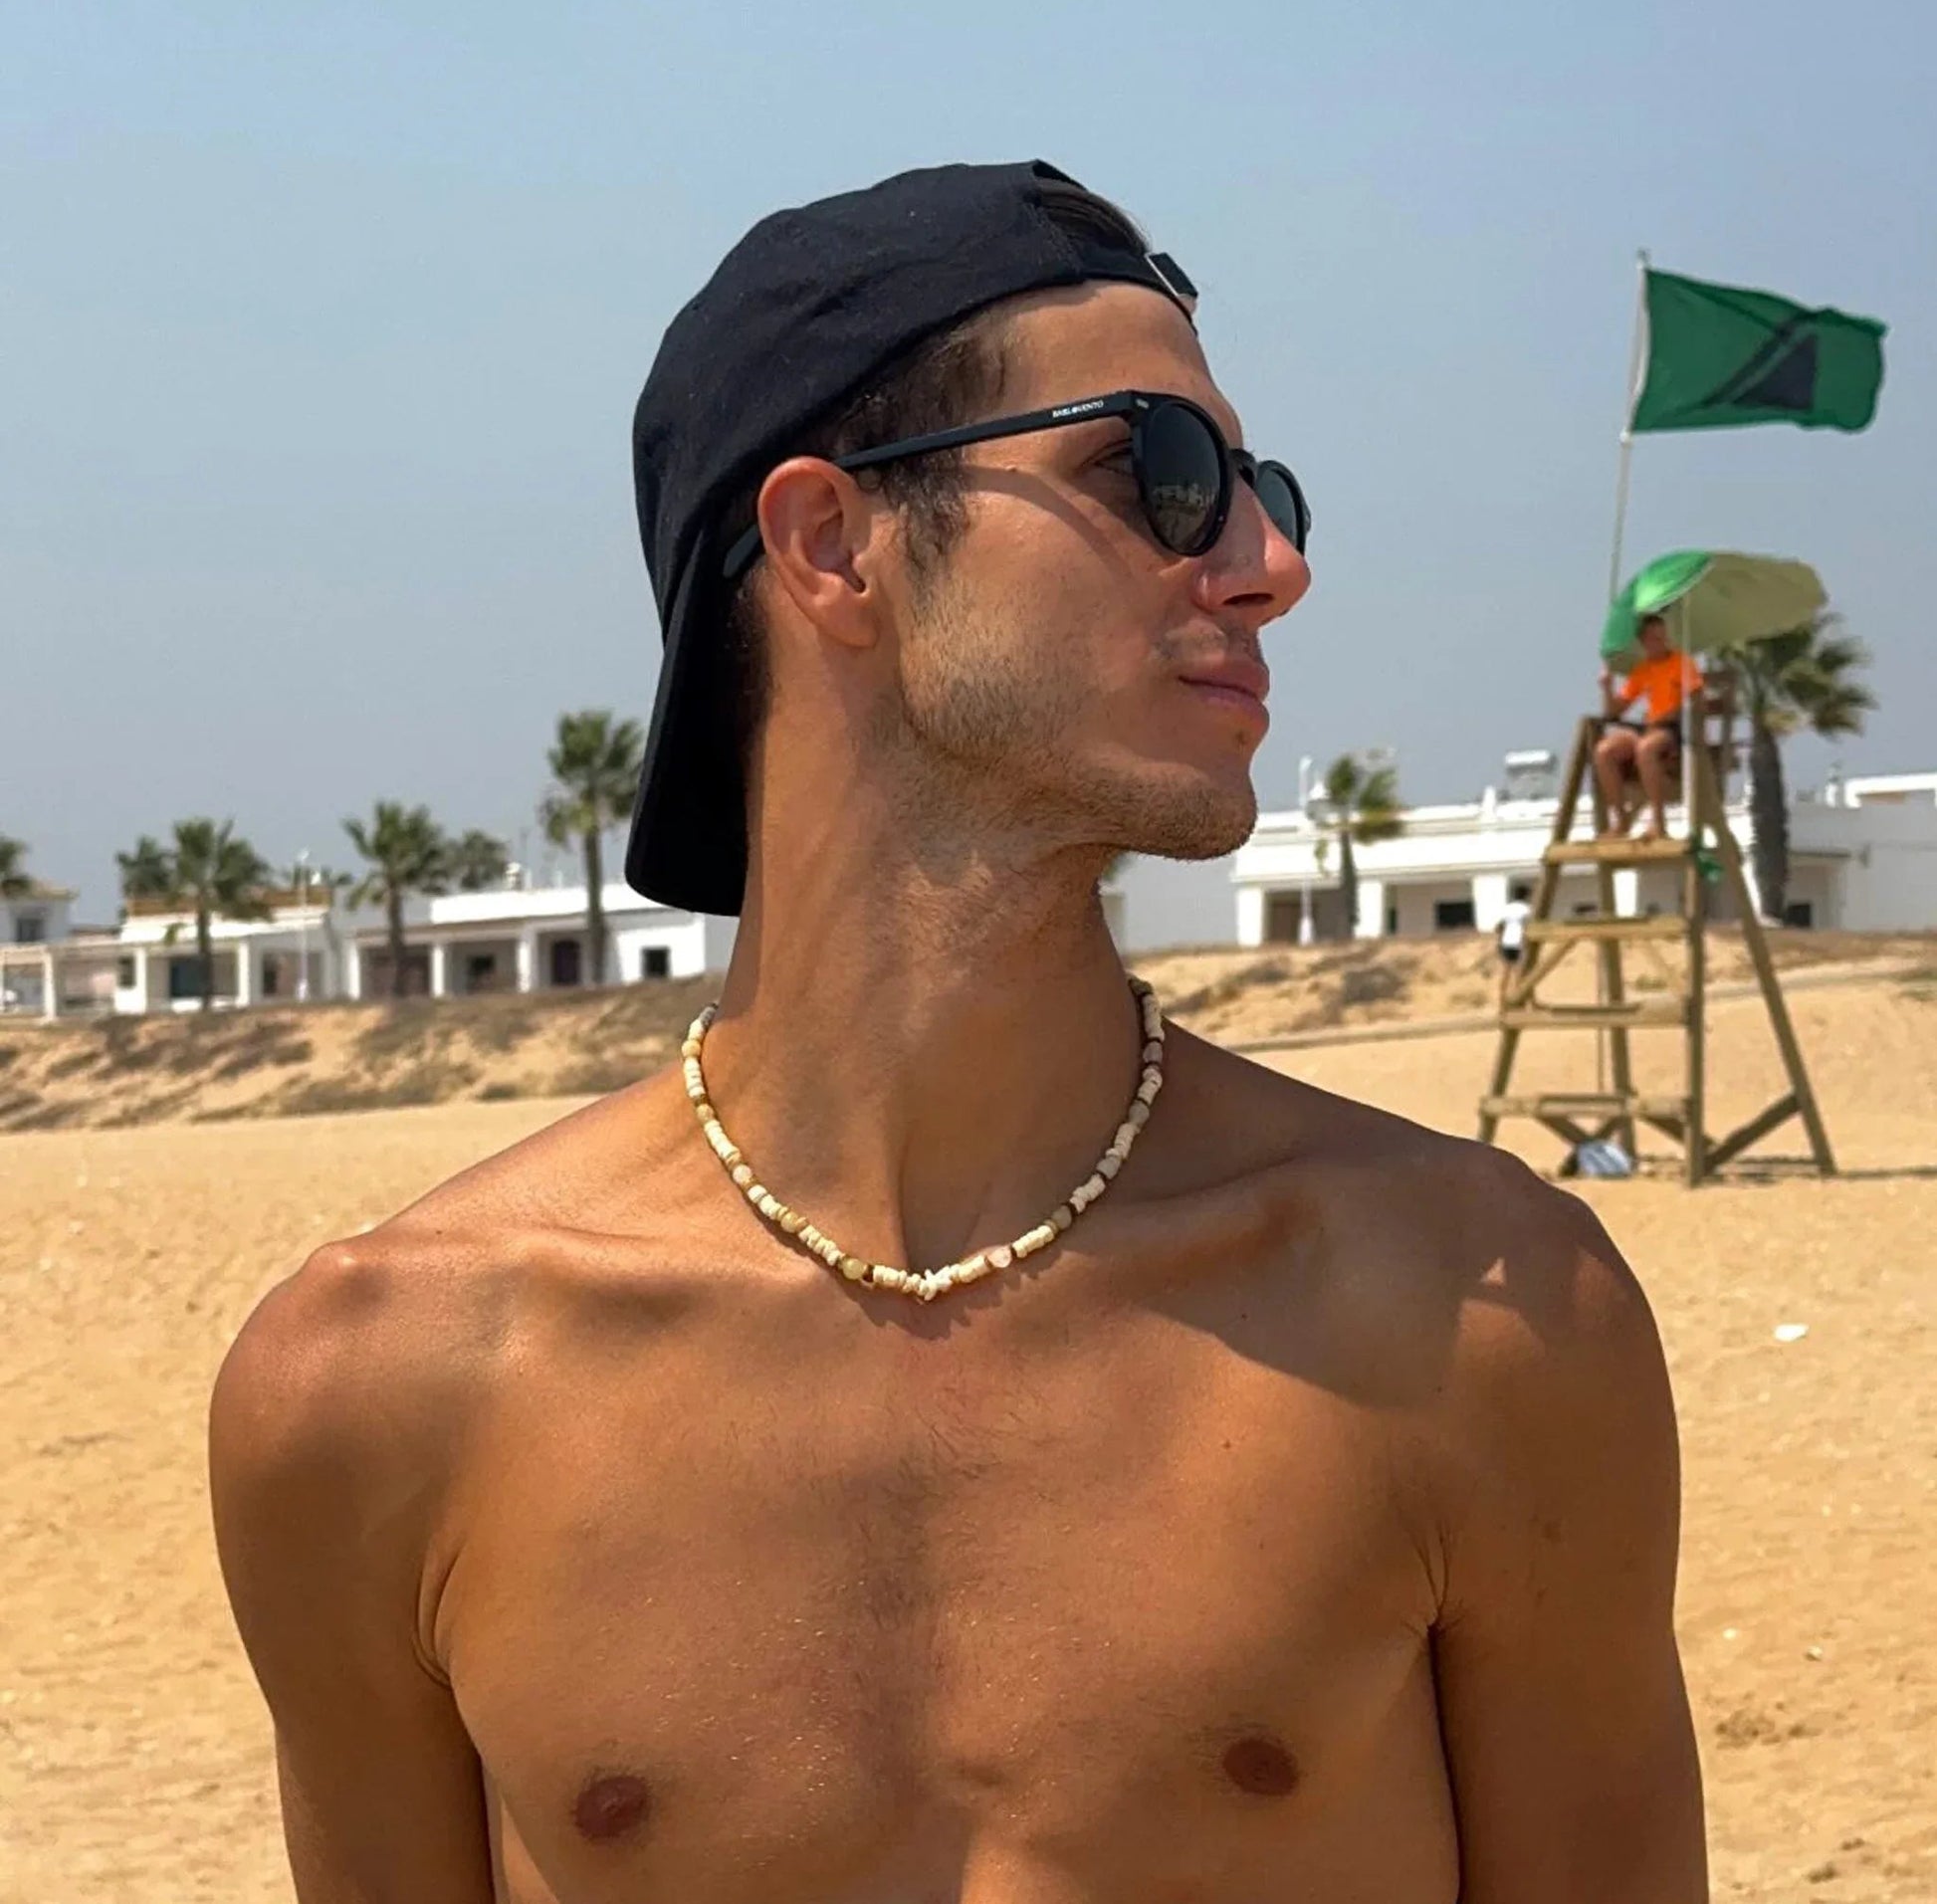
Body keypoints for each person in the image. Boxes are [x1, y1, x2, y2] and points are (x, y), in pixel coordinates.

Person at [210, 161, 1704, 1903]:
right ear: (831, 546)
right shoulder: (385, 1393)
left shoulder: (1479, 1320)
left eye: (1263, 492)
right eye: (1157, 471)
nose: (1270, 567)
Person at [1595, 612, 1705, 841]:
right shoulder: (1643, 669)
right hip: (1649, 727)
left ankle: (1658, 822)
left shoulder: (1682, 663)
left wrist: (1674, 712)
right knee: (1604, 751)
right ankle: (1621, 820)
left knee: (1646, 749)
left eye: (1663, 637)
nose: (1660, 643)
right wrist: (1607, 688)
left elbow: (1697, 698)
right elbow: (1614, 712)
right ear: (1643, 642)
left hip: (1671, 728)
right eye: (1654, 638)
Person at [1495, 882, 1533, 1000]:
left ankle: (1502, 998)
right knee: (1519, 971)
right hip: (1519, 941)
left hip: (1506, 941)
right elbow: (1528, 926)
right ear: (1526, 896)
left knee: (1506, 971)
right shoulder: (1526, 909)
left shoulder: (1507, 908)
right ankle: (1519, 997)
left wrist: (1499, 941)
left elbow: (1499, 926)